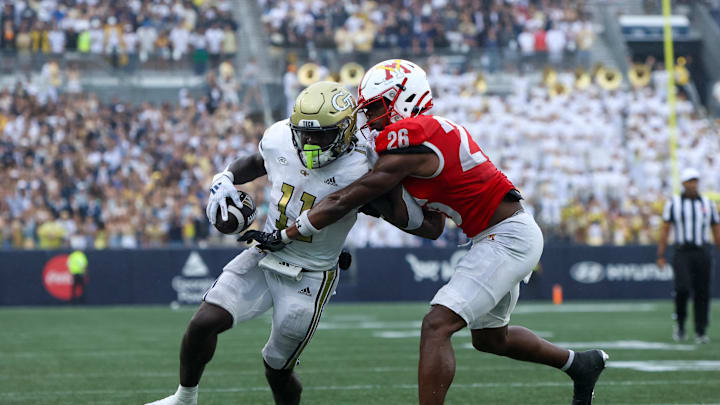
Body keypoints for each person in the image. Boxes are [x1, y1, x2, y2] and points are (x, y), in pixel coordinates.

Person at [244, 60, 609, 405]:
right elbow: (432, 227)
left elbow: (352, 194)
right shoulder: (421, 139)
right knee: (490, 339)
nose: (369, 119)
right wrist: (377, 203)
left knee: (436, 325)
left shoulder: (414, 133)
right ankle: (580, 364)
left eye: (375, 108)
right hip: (496, 234)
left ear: (404, 98)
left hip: (507, 236)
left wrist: (294, 230)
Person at [146, 81, 439, 405]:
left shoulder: (363, 164)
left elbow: (416, 223)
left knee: (277, 368)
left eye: (321, 134)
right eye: (304, 132)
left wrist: (390, 197)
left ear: (344, 131)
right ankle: (184, 399)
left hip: (311, 274)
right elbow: (256, 163)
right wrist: (224, 178)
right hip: (265, 252)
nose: (310, 142)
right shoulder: (280, 138)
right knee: (203, 322)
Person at [657, 167, 720, 344]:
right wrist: (660, 254)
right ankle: (681, 324)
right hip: (682, 251)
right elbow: (665, 229)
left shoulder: (708, 203)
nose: (693, 184)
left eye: (695, 181)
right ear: (683, 183)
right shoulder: (673, 203)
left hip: (702, 251)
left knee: (703, 292)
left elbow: (716, 228)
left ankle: (700, 330)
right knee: (682, 288)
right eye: (690, 181)